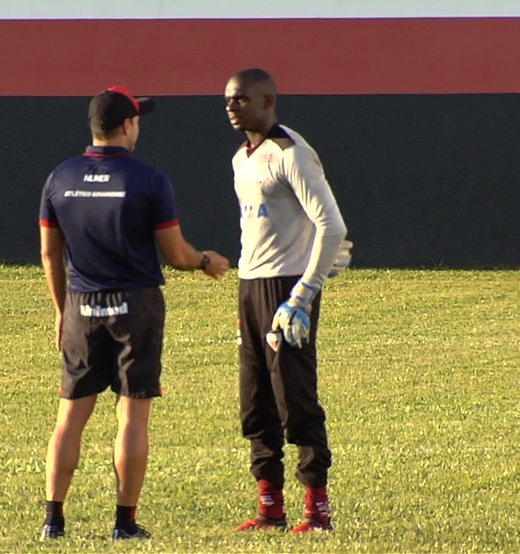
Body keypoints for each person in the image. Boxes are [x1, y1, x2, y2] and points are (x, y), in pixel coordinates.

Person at [38, 85, 229, 541]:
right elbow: (177, 254)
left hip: (82, 306)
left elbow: (49, 255)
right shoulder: (149, 180)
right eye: (137, 120)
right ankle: (124, 524)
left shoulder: (59, 178)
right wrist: (207, 261)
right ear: (126, 126)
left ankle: (53, 521)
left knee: (70, 416)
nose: (138, 126)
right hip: (135, 307)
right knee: (132, 417)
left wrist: (62, 311)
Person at [224, 68, 349, 534]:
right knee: (255, 402)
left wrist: (302, 294)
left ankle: (316, 510)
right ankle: (269, 507)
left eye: (240, 100)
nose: (232, 107)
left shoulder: (291, 154)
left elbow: (331, 226)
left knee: (294, 399)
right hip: (251, 286)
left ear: (268, 101)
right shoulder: (242, 158)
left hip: (286, 290)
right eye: (228, 101)